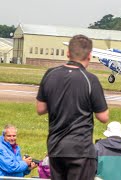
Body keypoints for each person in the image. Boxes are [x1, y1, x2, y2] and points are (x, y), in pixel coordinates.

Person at [36, 34, 109, 180]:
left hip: (56, 147)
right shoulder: (90, 80)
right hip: (80, 148)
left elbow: (40, 109)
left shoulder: (50, 74)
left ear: (68, 53)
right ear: (89, 55)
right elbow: (103, 117)